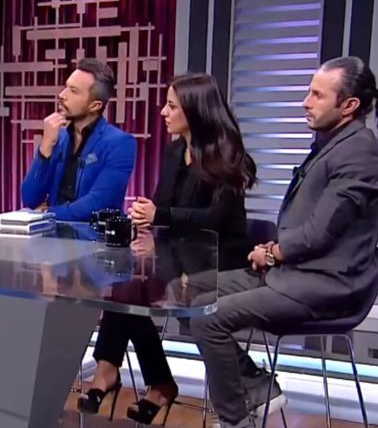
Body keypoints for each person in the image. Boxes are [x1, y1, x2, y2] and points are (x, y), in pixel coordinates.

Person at [191, 57, 378, 428]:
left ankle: (236, 419)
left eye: (317, 95)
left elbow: (321, 232)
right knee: (193, 297)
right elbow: (307, 224)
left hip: (329, 286)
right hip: (296, 272)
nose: (305, 102)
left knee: (209, 317)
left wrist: (273, 253)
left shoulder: (359, 151)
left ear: (349, 105)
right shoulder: (332, 142)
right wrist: (273, 252)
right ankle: (257, 386)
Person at [78, 73, 257, 424]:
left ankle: (121, 373)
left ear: (195, 111)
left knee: (133, 292)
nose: (163, 112)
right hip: (177, 256)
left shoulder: (227, 153)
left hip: (221, 261)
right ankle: (137, 377)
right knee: (125, 286)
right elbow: (162, 205)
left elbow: (217, 217)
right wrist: (144, 217)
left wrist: (160, 215)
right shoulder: (175, 151)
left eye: (171, 106)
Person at [20, 59, 136, 221]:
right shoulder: (58, 138)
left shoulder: (119, 143)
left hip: (92, 235)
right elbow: (30, 199)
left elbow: (98, 204)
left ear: (95, 105)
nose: (62, 95)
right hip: (52, 233)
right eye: (66, 87)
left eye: (73, 91)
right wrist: (45, 148)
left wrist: (46, 213)